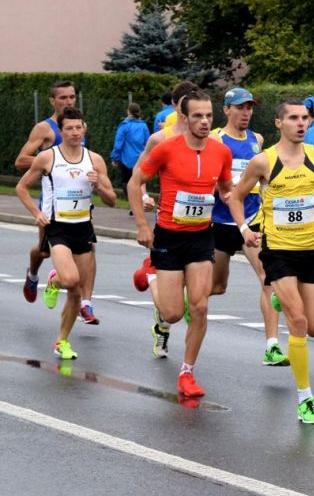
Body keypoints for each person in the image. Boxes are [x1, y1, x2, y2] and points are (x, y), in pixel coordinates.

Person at [231, 99, 314, 424]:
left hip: (312, 249)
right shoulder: (263, 161)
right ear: (279, 123)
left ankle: (280, 297)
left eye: (304, 118)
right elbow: (236, 196)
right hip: (278, 251)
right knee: (298, 322)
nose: (301, 123)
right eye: (293, 118)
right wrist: (245, 229)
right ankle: (306, 400)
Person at [127, 90, 234, 399]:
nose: (204, 121)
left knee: (200, 306)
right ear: (184, 118)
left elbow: (225, 188)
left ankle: (187, 372)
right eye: (198, 116)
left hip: (201, 236)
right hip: (169, 236)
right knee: (173, 313)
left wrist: (236, 196)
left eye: (209, 115)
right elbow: (134, 183)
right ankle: (151, 275)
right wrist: (142, 225)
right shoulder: (166, 148)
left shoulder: (221, 152)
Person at [14, 108, 117, 359]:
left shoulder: (95, 160)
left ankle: (61, 341)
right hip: (57, 227)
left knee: (76, 291)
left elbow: (112, 200)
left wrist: (99, 185)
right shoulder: (47, 158)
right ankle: (55, 280)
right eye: (69, 128)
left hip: (83, 227)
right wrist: (37, 213)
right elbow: (21, 187)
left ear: (84, 128)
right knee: (70, 280)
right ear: (61, 131)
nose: (74, 132)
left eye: (78, 127)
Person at [208, 88, 288, 366]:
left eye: (249, 107)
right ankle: (182, 298)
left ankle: (272, 346)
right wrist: (221, 189)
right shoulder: (215, 139)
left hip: (251, 220)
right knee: (217, 286)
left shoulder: (257, 140)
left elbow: (262, 177)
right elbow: (203, 176)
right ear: (226, 109)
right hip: (220, 221)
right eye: (240, 107)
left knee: (268, 278)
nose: (246, 113)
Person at [13, 80, 100, 322]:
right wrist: (53, 160)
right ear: (52, 101)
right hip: (52, 206)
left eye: (72, 97)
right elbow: (20, 160)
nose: (68, 101)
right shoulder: (44, 128)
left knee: (90, 248)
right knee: (42, 252)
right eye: (63, 97)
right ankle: (33, 274)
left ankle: (86, 303)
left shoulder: (78, 126)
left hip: (80, 205)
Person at [131, 80, 200, 358]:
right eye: (184, 105)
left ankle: (164, 328)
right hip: (169, 225)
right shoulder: (161, 138)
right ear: (175, 106)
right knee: (174, 305)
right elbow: (138, 174)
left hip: (201, 228)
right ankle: (152, 279)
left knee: (199, 292)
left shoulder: (209, 138)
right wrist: (144, 196)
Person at [110, 103, 149, 188]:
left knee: (126, 183)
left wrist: (115, 158)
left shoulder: (124, 125)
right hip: (140, 160)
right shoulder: (144, 126)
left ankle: (130, 196)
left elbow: (118, 144)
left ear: (128, 112)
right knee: (139, 184)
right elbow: (148, 144)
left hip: (127, 161)